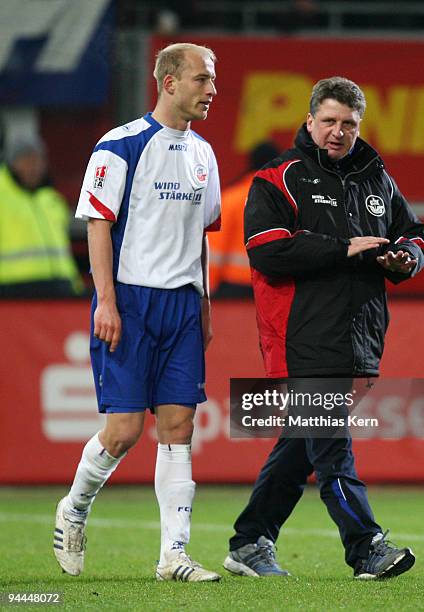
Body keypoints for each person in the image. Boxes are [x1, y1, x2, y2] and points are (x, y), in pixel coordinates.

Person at [223, 76, 424, 579]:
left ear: (360, 126)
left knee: (301, 444)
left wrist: (407, 259)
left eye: (349, 124)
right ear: (310, 121)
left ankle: (249, 542)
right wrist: (343, 248)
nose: (338, 132)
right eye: (330, 121)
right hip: (302, 336)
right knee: (331, 449)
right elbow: (267, 251)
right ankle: (366, 548)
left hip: (359, 336)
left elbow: (415, 233)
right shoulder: (278, 177)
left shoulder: (377, 176)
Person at [53, 43, 221, 582]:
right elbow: (98, 223)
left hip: (183, 307)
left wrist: (205, 301)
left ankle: (174, 554)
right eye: (201, 79)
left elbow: (201, 236)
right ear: (169, 83)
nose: (211, 90)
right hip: (130, 300)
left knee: (179, 426)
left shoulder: (205, 155)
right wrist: (105, 299)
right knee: (123, 431)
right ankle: (74, 509)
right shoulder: (119, 145)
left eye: (212, 80)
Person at [0, 137, 83, 297]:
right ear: (12, 163)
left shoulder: (51, 199)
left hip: (60, 286)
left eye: (38, 160)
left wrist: (75, 285)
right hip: (12, 290)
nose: (34, 167)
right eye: (27, 160)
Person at [209, 141, 280, 299]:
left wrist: (209, 288)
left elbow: (215, 248)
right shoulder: (286, 200)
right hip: (274, 287)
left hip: (234, 287)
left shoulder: (231, 198)